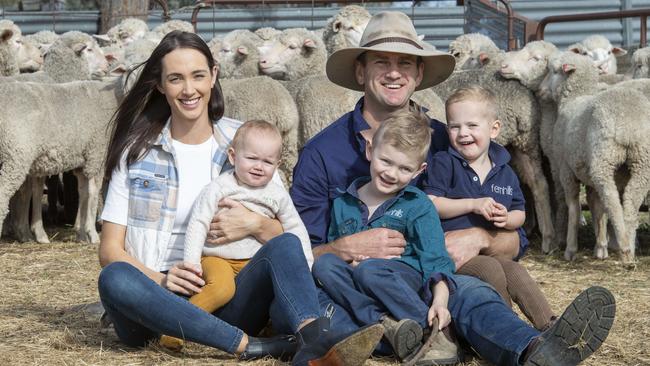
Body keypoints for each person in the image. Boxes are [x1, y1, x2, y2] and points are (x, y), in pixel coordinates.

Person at [290, 11, 615, 366]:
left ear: (418, 74)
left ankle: (535, 350)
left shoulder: (451, 141)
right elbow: (300, 253)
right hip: (355, 286)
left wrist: (480, 238)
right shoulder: (322, 153)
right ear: (360, 71)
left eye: (406, 63)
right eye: (381, 61)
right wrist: (339, 247)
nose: (394, 72)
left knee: (471, 293)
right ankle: (413, 337)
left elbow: (512, 238)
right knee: (323, 307)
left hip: (434, 276)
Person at [97, 30, 384, 366]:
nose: (189, 89)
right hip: (154, 301)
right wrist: (161, 278)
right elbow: (110, 250)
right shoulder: (136, 153)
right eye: (176, 79)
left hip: (228, 293)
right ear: (160, 85)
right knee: (114, 278)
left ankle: (313, 337)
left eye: (198, 76)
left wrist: (256, 224)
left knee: (287, 243)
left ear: (214, 75)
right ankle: (249, 346)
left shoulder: (248, 142)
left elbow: (285, 236)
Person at [312, 108, 455, 363]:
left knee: (369, 270)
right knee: (324, 264)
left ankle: (432, 331)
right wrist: (349, 260)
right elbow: (337, 254)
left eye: (404, 168)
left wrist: (440, 302)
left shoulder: (418, 205)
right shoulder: (343, 203)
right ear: (370, 151)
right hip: (357, 288)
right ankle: (386, 325)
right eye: (386, 161)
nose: (391, 173)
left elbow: (437, 261)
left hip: (398, 281)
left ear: (418, 171)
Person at [159, 120, 314, 350]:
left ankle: (295, 333)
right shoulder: (220, 187)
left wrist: (306, 263)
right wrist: (192, 262)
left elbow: (295, 228)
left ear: (278, 164)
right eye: (252, 158)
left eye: (267, 161)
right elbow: (198, 223)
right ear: (233, 156)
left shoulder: (277, 194)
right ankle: (179, 327)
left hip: (253, 265)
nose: (259, 166)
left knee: (279, 287)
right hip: (218, 258)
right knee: (222, 288)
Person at [426, 86, 555, 331]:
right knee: (491, 268)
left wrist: (507, 219)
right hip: (455, 257)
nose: (463, 133)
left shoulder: (505, 172)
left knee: (516, 271)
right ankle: (510, 330)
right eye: (455, 126)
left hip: (490, 251)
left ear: (494, 129)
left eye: (472, 126)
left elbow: (520, 212)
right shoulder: (444, 163)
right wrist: (472, 205)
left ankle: (550, 326)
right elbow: (431, 203)